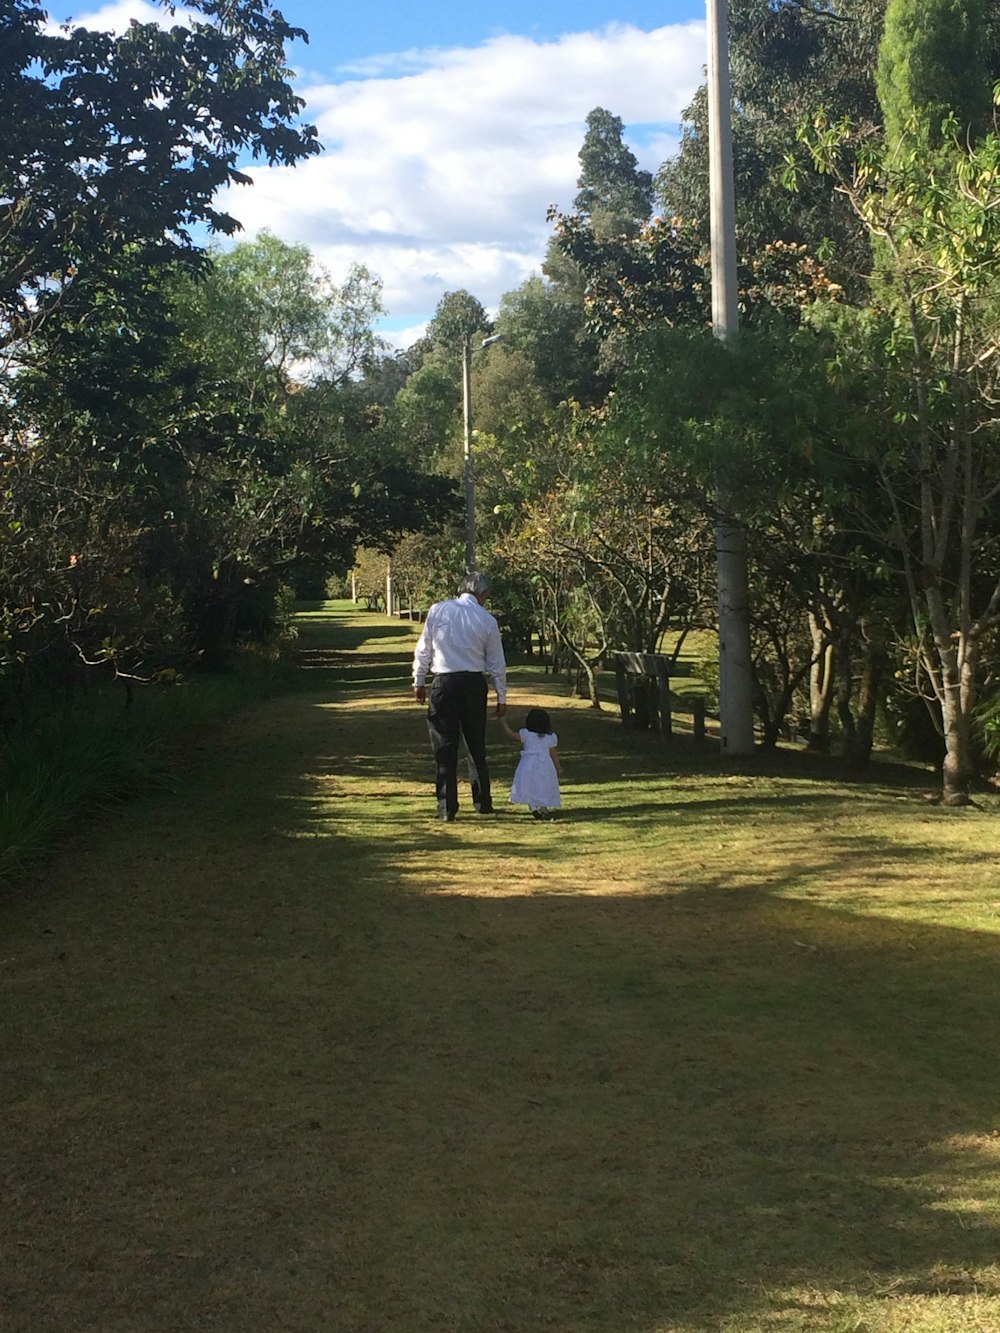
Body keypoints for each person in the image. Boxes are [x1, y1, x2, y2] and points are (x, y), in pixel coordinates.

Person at [412, 571, 507, 821]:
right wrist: (501, 696)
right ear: (483, 594)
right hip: (474, 684)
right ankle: (482, 801)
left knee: (444, 746)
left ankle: (446, 807)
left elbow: (425, 647)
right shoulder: (487, 619)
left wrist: (419, 679)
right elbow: (496, 661)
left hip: (444, 682)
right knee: (476, 744)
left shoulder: (438, 610)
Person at [500, 706, 562, 820]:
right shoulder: (550, 737)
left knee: (529, 785)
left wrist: (504, 723)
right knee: (543, 785)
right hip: (545, 765)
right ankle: (543, 807)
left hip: (528, 764)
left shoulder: (526, 734)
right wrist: (558, 768)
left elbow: (512, 735)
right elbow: (553, 754)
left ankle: (533, 807)